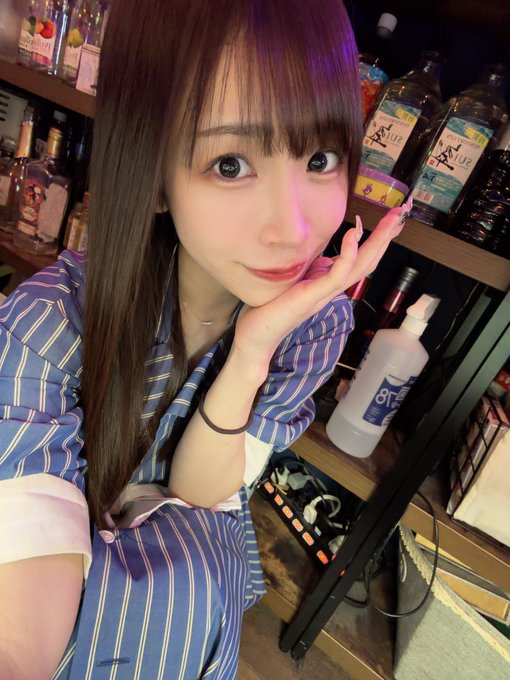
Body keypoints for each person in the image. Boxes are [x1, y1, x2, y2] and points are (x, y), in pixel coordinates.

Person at [0, 1, 411, 678]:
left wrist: (250, 353)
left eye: (320, 158)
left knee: (190, 571)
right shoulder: (52, 322)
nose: (293, 228)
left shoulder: (313, 327)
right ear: (155, 173)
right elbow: (25, 602)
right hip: (90, 613)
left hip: (182, 611)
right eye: (230, 165)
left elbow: (202, 490)